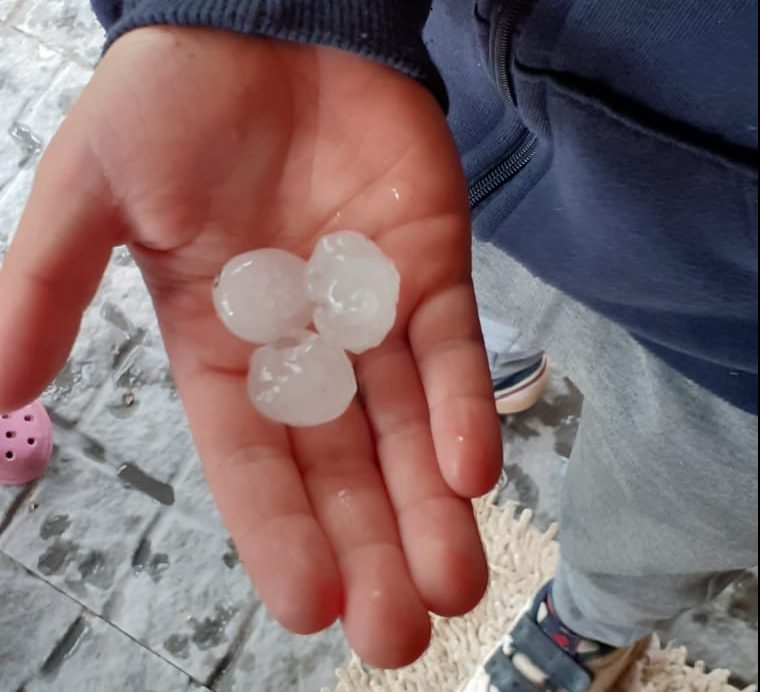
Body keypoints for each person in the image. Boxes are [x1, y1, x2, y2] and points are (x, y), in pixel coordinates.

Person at [0, 1, 756, 690]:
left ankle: (592, 617)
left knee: (666, 510)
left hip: (729, 332)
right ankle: (508, 359)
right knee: (446, 304)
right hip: (422, 119)